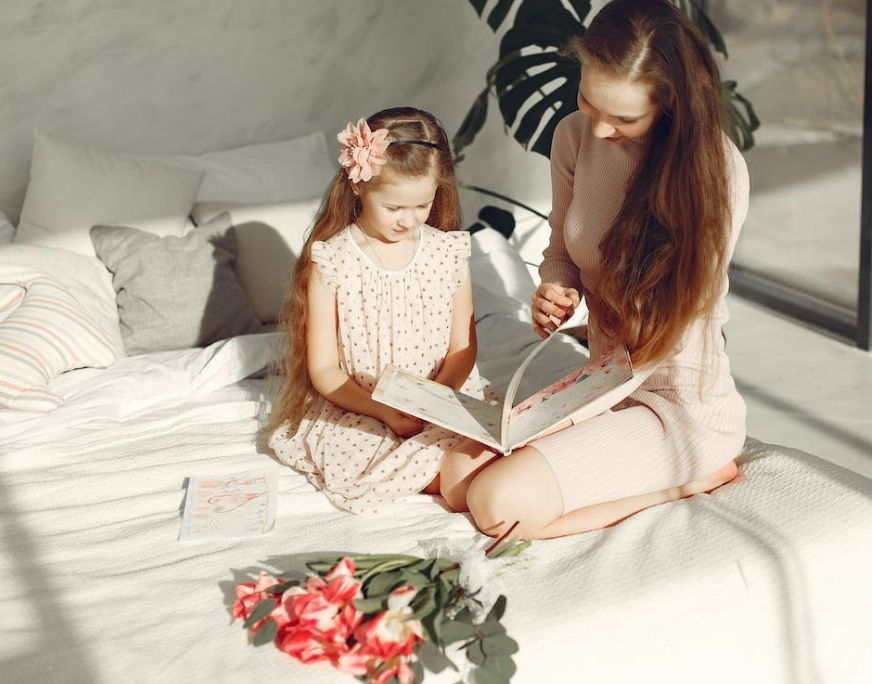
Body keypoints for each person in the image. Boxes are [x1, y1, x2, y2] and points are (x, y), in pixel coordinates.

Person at [437, 0, 750, 539]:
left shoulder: (716, 175)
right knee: (455, 477)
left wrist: (561, 416)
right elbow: (563, 245)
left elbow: (660, 343)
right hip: (608, 383)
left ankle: (690, 481)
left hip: (678, 404)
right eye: (588, 100)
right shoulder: (574, 136)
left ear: (672, 103)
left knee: (495, 503)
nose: (601, 127)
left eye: (625, 118)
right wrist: (555, 286)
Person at [265, 107, 482, 514]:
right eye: (394, 208)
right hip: (361, 406)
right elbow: (326, 371)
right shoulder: (332, 263)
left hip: (444, 394)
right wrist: (384, 410)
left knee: (484, 454)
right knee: (383, 462)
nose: (409, 220)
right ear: (359, 187)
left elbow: (462, 348)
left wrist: (436, 397)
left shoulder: (448, 252)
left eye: (422, 206)